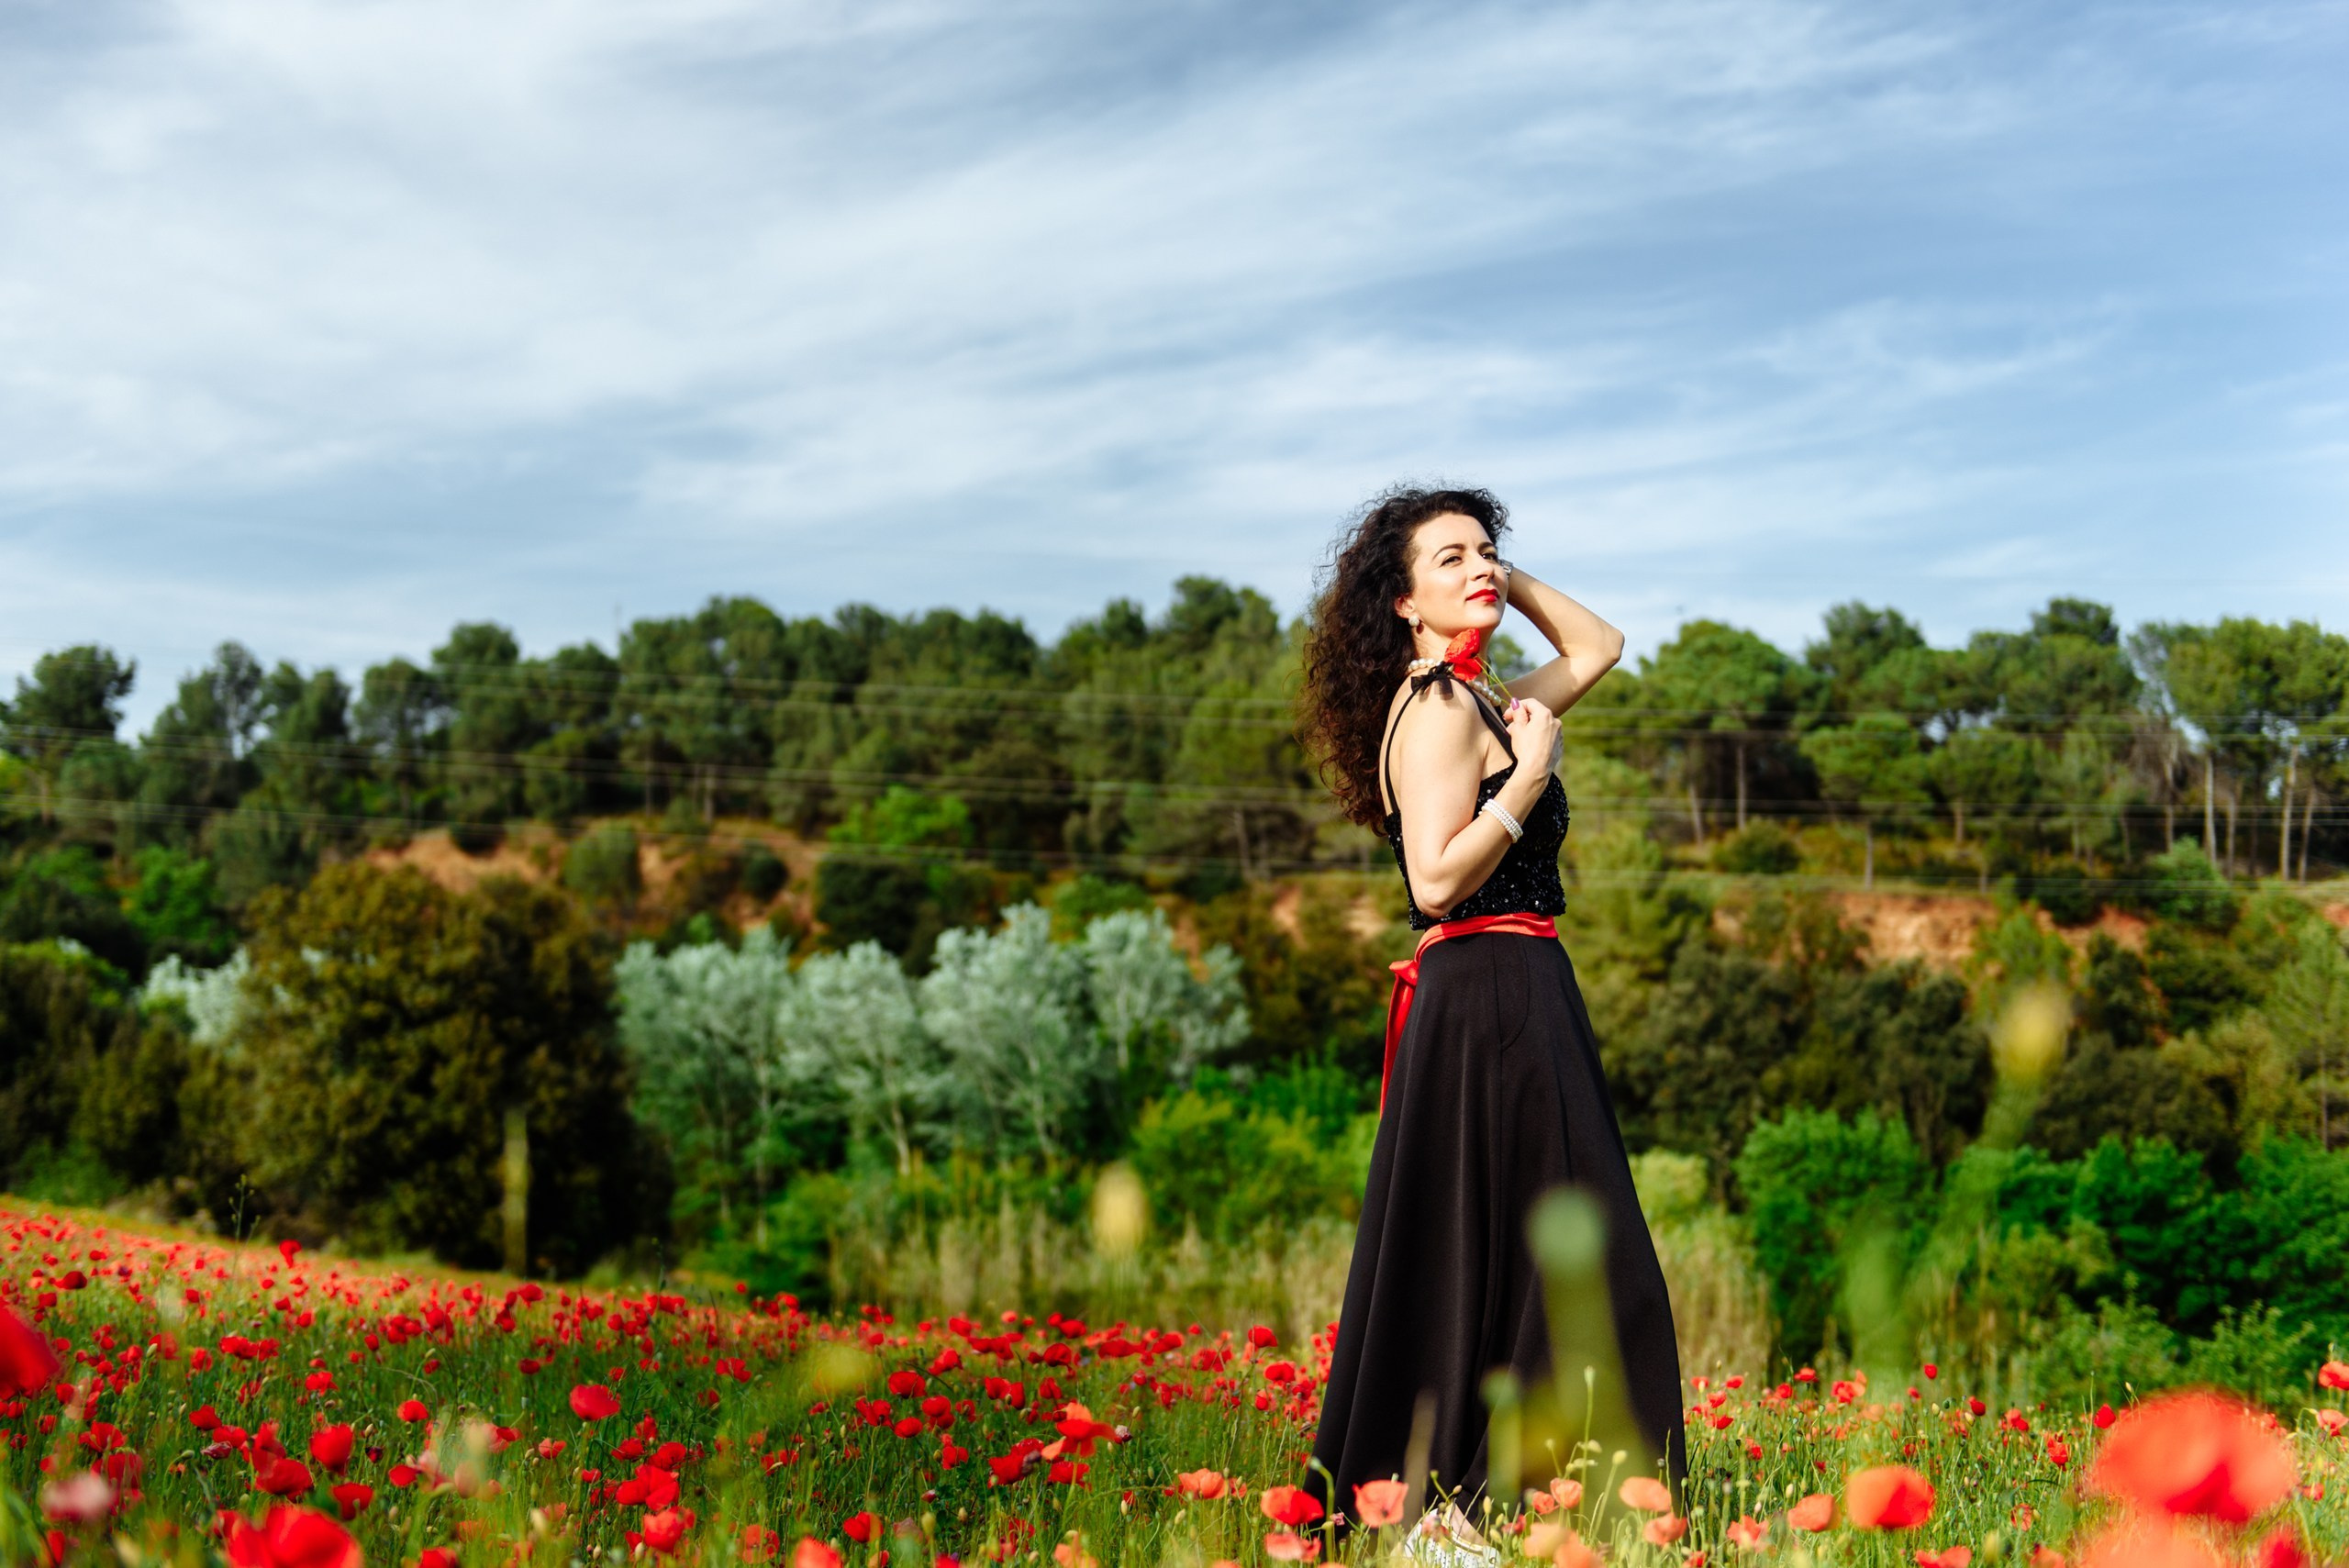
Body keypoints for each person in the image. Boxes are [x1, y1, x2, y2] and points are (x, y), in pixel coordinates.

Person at [1297, 485, 1684, 1528]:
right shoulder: (1432, 709)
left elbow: (1598, 643)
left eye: (1489, 550)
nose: (1480, 566)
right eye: (1450, 558)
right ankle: (1492, 1505)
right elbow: (1431, 881)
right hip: (1489, 991)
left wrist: (1494, 582)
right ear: (1401, 602)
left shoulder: (1477, 698)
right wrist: (1527, 784)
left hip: (1516, 988)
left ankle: (1480, 1508)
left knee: (1513, 1252)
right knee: (1579, 1256)